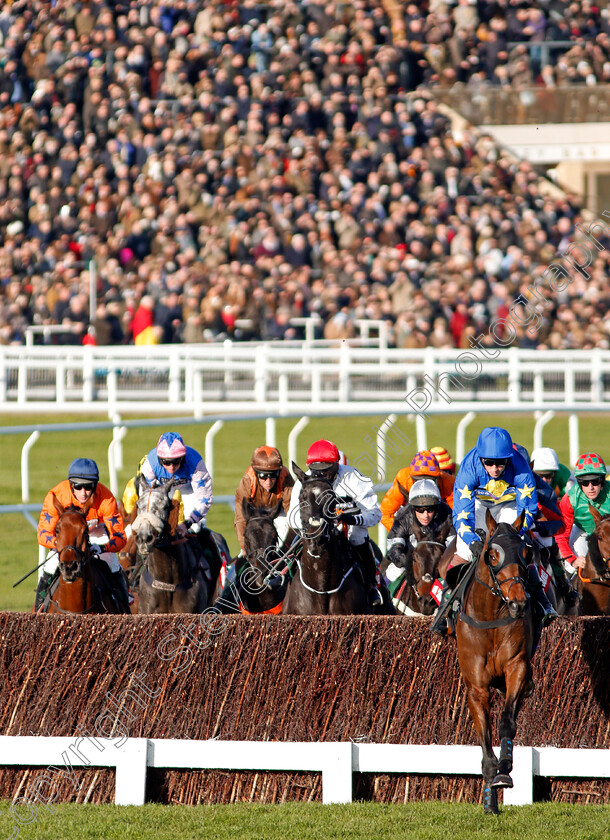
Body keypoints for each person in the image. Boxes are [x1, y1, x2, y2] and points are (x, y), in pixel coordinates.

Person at [431, 427, 556, 637]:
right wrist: (472, 541)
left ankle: (543, 603)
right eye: (489, 462)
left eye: (500, 463)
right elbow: (461, 513)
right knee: (464, 552)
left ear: (509, 459)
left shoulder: (520, 466)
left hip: (509, 505)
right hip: (479, 507)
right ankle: (444, 610)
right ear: (481, 459)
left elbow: (529, 508)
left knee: (517, 548)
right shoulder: (469, 468)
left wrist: (514, 534)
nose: (495, 468)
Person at [288, 439, 383, 606]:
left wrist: (350, 519)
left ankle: (372, 586)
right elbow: (292, 518)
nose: (321, 475)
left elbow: (374, 514)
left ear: (336, 464)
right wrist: (314, 522)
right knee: (292, 544)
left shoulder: (353, 478)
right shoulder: (303, 482)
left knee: (358, 537)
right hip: (314, 532)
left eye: (326, 471)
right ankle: (284, 582)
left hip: (348, 529)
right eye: (316, 471)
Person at [123, 432, 221, 585]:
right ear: (159, 459)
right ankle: (136, 571)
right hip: (160, 491)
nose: (171, 467)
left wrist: (187, 523)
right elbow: (146, 498)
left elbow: (204, 499)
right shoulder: (150, 463)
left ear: (183, 457)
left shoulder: (195, 462)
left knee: (196, 528)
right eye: (166, 462)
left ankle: (205, 569)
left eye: (176, 462)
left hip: (189, 491)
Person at [36, 458, 129, 612]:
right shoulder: (56, 495)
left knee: (113, 563)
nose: (84, 493)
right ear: (71, 484)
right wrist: (61, 546)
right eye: (78, 487)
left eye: (89, 487)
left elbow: (120, 537)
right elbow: (43, 534)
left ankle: (125, 612)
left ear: (96, 485)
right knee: (50, 565)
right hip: (65, 540)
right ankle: (36, 615)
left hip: (95, 534)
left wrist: (102, 548)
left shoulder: (106, 497)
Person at [514, 444, 579, 610]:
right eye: (540, 476)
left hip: (535, 529)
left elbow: (559, 521)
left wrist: (538, 526)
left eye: (548, 476)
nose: (544, 480)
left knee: (549, 545)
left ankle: (564, 584)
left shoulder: (554, 486)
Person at [385, 479, 454, 586]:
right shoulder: (403, 516)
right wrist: (412, 564)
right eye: (420, 510)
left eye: (430, 510)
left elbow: (453, 548)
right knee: (392, 573)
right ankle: (384, 600)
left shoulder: (446, 514)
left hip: (438, 563)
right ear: (413, 508)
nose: (425, 515)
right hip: (411, 561)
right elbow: (394, 549)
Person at [556, 452, 610, 574]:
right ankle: (572, 590)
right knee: (572, 566)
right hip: (583, 531)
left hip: (608, 534)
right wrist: (572, 560)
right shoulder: (569, 499)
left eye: (595, 482)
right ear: (579, 483)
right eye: (585, 483)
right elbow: (561, 535)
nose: (590, 487)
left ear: (602, 481)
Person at [234, 445, 295, 552]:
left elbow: (292, 514)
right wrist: (245, 548)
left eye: (273, 475)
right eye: (263, 476)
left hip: (279, 515)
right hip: (254, 517)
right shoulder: (247, 480)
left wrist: (286, 548)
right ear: (256, 473)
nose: (268, 481)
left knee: (283, 526)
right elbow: (241, 518)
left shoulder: (285, 477)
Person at [380, 450, 455, 531]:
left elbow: (459, 512)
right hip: (410, 520)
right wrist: (402, 533)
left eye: (429, 480)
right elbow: (385, 513)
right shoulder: (403, 480)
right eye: (418, 480)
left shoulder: (447, 481)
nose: (423, 485)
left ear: (438, 476)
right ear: (411, 476)